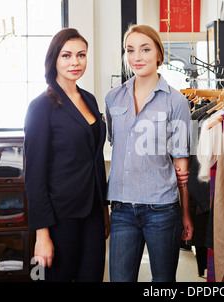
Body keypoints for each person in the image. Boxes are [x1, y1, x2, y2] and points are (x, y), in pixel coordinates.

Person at [105, 24, 194, 282]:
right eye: (130, 50)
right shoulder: (113, 98)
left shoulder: (175, 101)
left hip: (162, 209)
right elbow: (117, 145)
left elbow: (181, 165)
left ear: (158, 54)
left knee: (163, 283)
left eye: (145, 49)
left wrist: (186, 213)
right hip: (121, 209)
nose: (137, 57)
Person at [24, 28, 109, 282]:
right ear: (54, 59)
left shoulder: (90, 99)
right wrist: (42, 234)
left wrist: (104, 210)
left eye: (81, 55)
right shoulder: (41, 106)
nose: (75, 62)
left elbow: (95, 159)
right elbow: (34, 175)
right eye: (67, 55)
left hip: (93, 213)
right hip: (59, 218)